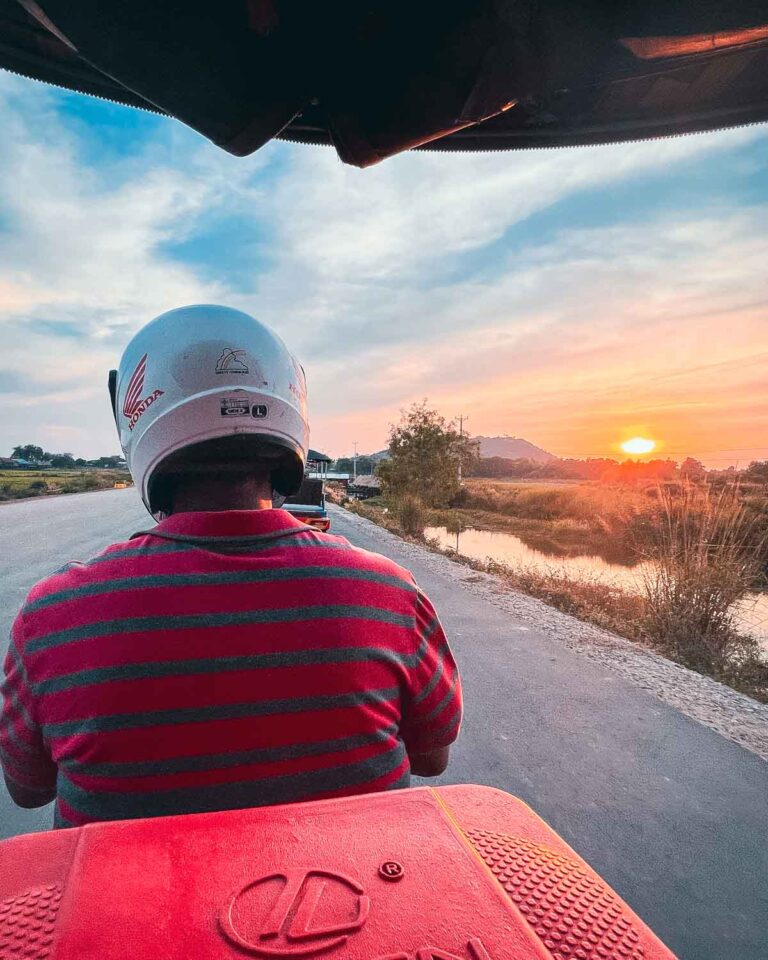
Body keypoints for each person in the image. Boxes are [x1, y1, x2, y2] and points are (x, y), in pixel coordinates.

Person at [0, 305, 462, 827]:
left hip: (131, 908)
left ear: (134, 418)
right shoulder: (388, 593)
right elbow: (431, 757)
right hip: (353, 902)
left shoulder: (53, 616)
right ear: (291, 412)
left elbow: (28, 789)